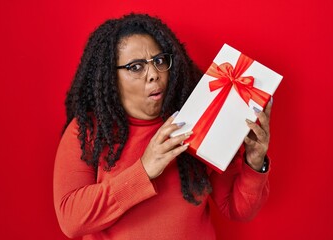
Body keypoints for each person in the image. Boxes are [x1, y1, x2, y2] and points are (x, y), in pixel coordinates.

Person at [53, 13, 271, 240]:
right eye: (136, 67)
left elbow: (237, 209)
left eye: (159, 61)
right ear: (110, 76)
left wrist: (254, 164)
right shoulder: (89, 130)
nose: (154, 75)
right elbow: (71, 220)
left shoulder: (197, 121)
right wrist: (144, 171)